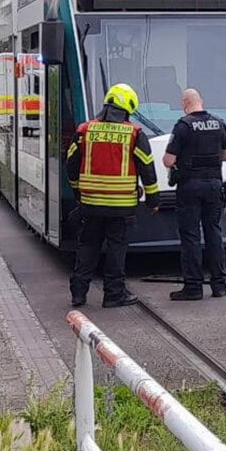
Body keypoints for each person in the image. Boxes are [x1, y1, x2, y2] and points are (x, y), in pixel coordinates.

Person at [66, 84, 160, 308]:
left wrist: (78, 191)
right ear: (127, 108)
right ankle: (113, 294)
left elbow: (71, 163)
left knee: (88, 246)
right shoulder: (135, 134)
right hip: (121, 206)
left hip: (90, 204)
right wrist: (154, 200)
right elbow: (147, 169)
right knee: (116, 249)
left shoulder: (84, 130)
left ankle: (78, 293)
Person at [163, 88, 226, 301]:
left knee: (191, 236)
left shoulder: (183, 126)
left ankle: (193, 287)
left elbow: (168, 160)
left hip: (190, 187)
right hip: (214, 186)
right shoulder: (220, 123)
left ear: (185, 103)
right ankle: (219, 285)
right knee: (214, 233)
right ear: (201, 101)